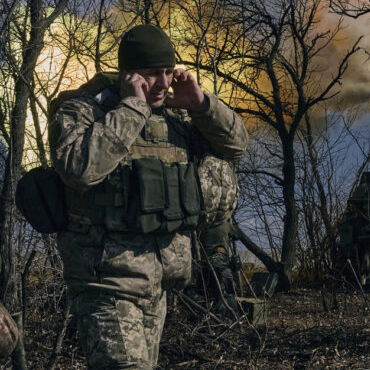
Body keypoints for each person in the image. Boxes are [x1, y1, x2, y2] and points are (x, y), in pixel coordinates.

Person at [50, 24, 248, 369]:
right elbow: (79, 169)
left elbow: (236, 146)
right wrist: (131, 109)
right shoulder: (84, 110)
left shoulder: (175, 116)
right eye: (152, 73)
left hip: (159, 286)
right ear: (128, 73)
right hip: (107, 284)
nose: (164, 82)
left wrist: (201, 105)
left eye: (169, 72)